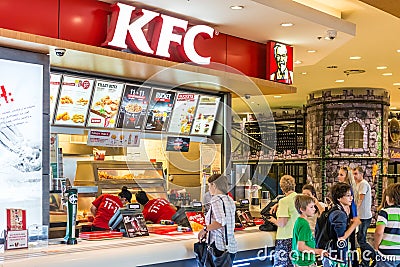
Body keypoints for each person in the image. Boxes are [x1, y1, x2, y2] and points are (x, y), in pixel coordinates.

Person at [198, 174, 237, 264]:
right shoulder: (229, 199)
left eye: (209, 186)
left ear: (214, 185)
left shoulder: (216, 199)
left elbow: (220, 222)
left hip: (218, 245)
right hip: (230, 245)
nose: (208, 189)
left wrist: (204, 230)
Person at [268, 175, 298, 267]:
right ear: (294, 185)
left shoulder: (284, 201)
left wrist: (272, 220)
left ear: (282, 188)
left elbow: (282, 223)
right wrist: (278, 204)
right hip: (297, 237)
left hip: (285, 239)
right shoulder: (299, 198)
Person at [322, 182, 353, 267]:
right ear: (339, 198)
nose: (351, 198)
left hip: (333, 253)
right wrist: (354, 224)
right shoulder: (339, 214)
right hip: (337, 256)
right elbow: (341, 238)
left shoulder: (336, 210)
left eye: (351, 195)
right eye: (348, 195)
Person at [292, 194, 327, 267]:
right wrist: (318, 251)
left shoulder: (299, 221)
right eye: (311, 207)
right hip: (305, 261)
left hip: (299, 260)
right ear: (302, 209)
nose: (314, 209)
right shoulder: (304, 224)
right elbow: (301, 247)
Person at [338, 166, 361, 267]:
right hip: (351, 219)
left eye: (341, 175)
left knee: (348, 245)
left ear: (347, 177)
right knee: (351, 245)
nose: (338, 177)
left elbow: (352, 206)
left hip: (349, 220)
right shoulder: (351, 188)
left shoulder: (347, 190)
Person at [353, 166, 376, 267]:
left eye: (356, 173)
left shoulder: (363, 184)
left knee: (361, 240)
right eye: (353, 174)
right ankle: (365, 262)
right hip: (361, 216)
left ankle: (374, 255)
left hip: (364, 217)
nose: (354, 176)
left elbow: (359, 201)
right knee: (361, 239)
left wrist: (354, 213)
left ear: (362, 174)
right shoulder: (358, 184)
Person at [374, 183, 400, 267]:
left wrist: (376, 246)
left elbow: (379, 232)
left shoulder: (385, 212)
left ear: (391, 198)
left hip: (386, 253)